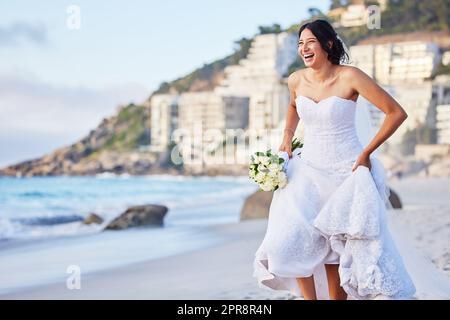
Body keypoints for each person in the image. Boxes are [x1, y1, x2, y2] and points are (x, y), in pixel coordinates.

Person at [253, 19, 416, 300]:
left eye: (310, 42)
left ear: (328, 44)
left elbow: (396, 113)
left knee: (336, 250)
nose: (304, 48)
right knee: (288, 241)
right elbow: (293, 105)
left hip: (346, 171)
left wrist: (366, 153)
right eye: (300, 44)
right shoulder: (296, 80)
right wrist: (286, 137)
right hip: (306, 171)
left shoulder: (350, 77)